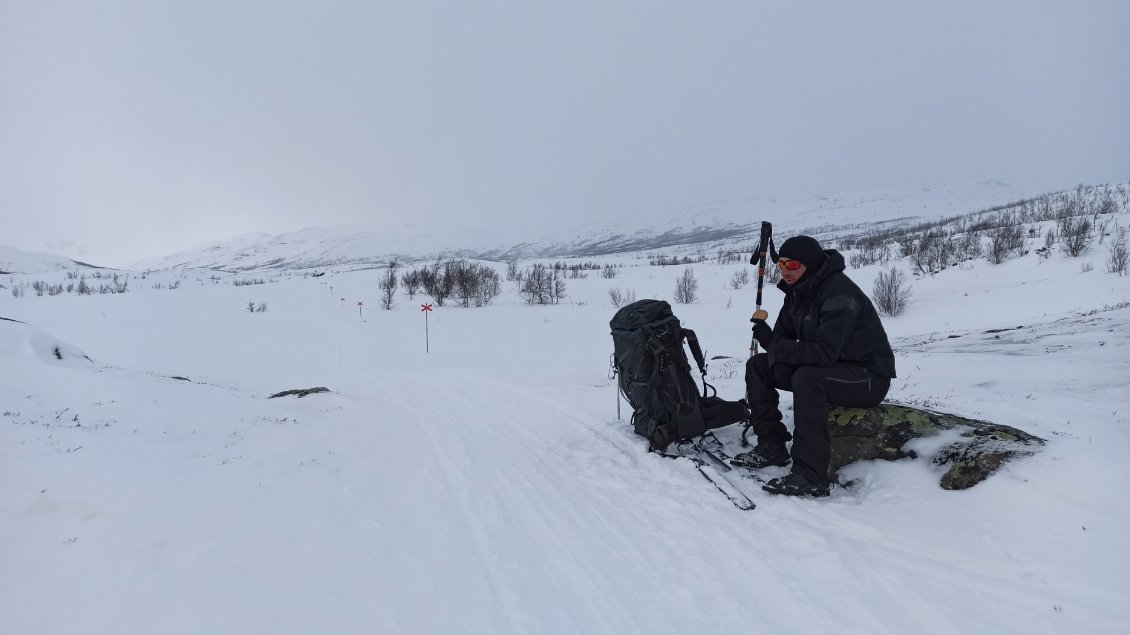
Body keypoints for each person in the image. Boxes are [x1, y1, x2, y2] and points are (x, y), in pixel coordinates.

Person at [736, 235, 896, 497]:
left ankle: (810, 474)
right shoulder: (797, 293)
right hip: (830, 369)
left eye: (793, 265)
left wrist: (776, 345)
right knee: (759, 366)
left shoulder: (839, 294)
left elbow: (823, 353)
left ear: (809, 264)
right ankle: (772, 445)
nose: (785, 271)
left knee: (808, 377)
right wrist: (771, 341)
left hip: (868, 378)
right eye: (782, 265)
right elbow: (783, 342)